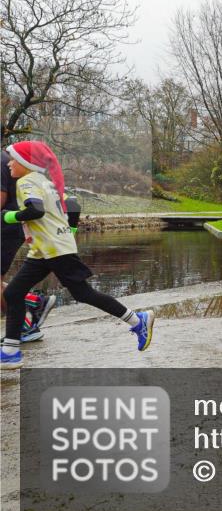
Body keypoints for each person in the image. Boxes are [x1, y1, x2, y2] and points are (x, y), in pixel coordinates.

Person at [1, 141, 153, 369]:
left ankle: (136, 319)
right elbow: (69, 206)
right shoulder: (44, 181)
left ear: (25, 163)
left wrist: (7, 217)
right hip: (46, 249)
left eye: (13, 158)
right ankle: (10, 351)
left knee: (83, 293)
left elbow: (35, 210)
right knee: (13, 293)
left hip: (55, 249)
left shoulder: (26, 181)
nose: (9, 163)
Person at [1, 148, 57, 342]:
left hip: (5, 228)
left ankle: (26, 323)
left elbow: (1, 199)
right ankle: (33, 302)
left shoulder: (2, 161)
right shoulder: (8, 161)